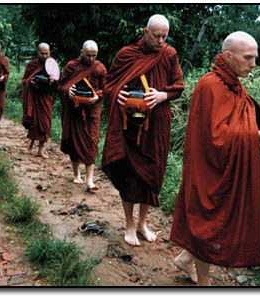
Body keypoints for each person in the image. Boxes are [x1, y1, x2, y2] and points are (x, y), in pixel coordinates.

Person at [169, 31, 260, 286]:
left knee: (216, 218)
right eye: (248, 57)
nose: (254, 63)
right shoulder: (210, 85)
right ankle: (205, 284)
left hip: (225, 163)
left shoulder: (232, 82)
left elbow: (238, 125)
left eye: (255, 57)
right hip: (207, 166)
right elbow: (217, 136)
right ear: (228, 56)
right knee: (207, 221)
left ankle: (186, 260)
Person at [101, 14, 185, 246]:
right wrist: (116, 93)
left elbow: (178, 86)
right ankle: (129, 224)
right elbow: (108, 85)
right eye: (156, 35)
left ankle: (142, 223)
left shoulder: (169, 55)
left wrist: (162, 95)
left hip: (156, 125)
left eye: (164, 37)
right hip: (128, 125)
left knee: (151, 174)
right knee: (128, 174)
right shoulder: (126, 54)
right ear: (145, 32)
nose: (160, 41)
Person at [58, 40, 107, 191]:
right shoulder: (72, 66)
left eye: (94, 55)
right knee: (74, 141)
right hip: (75, 111)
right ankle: (76, 174)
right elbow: (61, 86)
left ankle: (90, 180)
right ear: (81, 52)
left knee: (92, 142)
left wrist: (97, 96)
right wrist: (68, 90)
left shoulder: (100, 68)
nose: (91, 59)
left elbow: (106, 89)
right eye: (88, 55)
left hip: (92, 111)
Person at [22, 43, 58, 159]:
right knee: (34, 123)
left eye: (47, 53)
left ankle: (41, 149)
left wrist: (53, 81)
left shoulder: (52, 65)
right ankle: (30, 145)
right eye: (42, 53)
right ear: (37, 53)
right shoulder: (31, 65)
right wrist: (30, 82)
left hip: (45, 98)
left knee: (45, 124)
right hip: (34, 97)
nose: (44, 56)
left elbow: (58, 84)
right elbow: (24, 80)